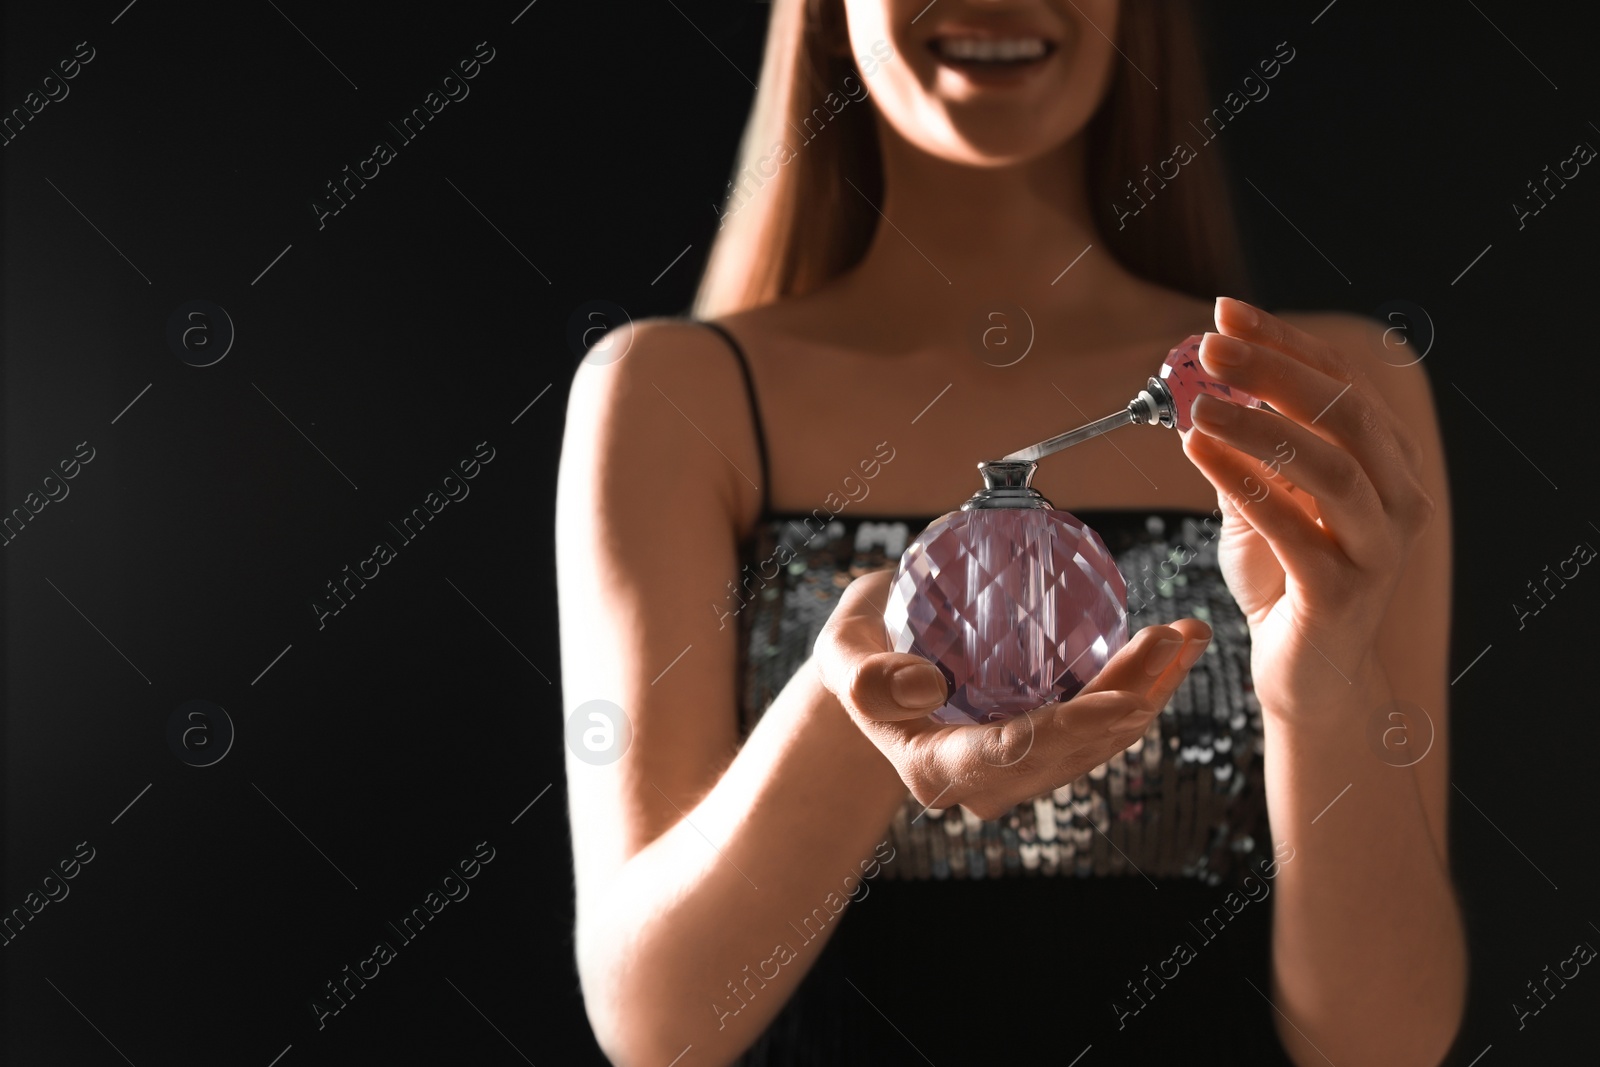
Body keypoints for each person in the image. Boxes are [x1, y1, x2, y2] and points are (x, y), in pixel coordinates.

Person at [556, 2, 1465, 1064]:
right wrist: (851, 708)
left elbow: (1382, 1043)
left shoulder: (1324, 395)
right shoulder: (671, 395)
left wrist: (1320, 684)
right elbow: (659, 1026)